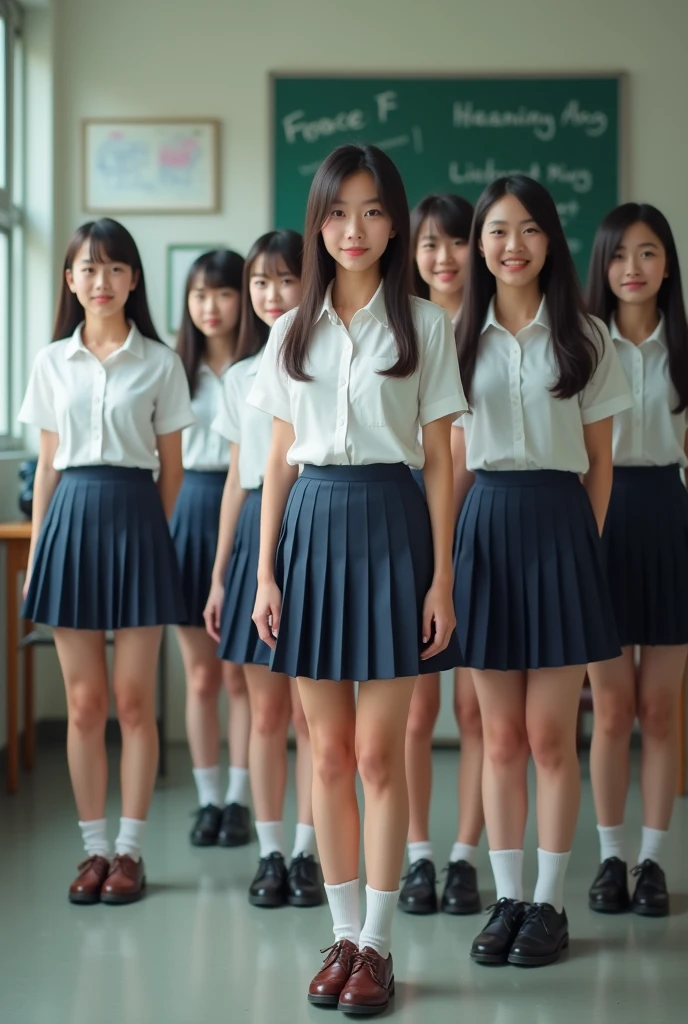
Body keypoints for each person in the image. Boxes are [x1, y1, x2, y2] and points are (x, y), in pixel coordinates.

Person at [248, 144, 465, 1015]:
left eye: (374, 212)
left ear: (396, 221)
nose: (355, 230)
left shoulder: (425, 324)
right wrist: (264, 570)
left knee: (380, 754)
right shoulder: (288, 327)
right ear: (318, 221)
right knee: (327, 754)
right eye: (339, 212)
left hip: (390, 524)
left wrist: (442, 578)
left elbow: (444, 461)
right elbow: (275, 459)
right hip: (309, 533)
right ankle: (341, 935)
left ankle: (378, 944)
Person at [454, 175, 632, 967]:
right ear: (478, 244)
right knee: (498, 739)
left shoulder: (589, 337)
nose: (512, 245)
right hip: (484, 526)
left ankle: (552, 905)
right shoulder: (452, 337)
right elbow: (448, 463)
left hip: (562, 527)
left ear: (551, 240)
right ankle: (509, 900)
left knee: (550, 734)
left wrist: (577, 548)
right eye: (496, 230)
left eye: (528, 230)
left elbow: (601, 464)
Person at [20, 218, 193, 905]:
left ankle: (130, 851)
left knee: (133, 700)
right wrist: (38, 555)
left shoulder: (160, 361)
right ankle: (93, 849)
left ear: (134, 279)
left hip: (135, 521)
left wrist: (155, 539)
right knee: (85, 704)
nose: (102, 281)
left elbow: (172, 473)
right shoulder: (50, 361)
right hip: (68, 523)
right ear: (70, 280)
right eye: (89, 269)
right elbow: (47, 467)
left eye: (115, 268)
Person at [205, 230, 324, 908]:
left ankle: (310, 849)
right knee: (263, 711)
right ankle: (272, 851)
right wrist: (224, 575)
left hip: (316, 530)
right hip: (256, 534)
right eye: (260, 282)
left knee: (312, 719)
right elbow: (234, 483)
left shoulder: (322, 358)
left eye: (284, 280)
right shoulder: (240, 376)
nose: (272, 294)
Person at [585, 204, 688, 918]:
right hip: (602, 522)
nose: (633, 269)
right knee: (613, 708)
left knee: (660, 708)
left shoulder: (684, 346)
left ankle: (652, 860)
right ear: (602, 265)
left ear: (667, 266)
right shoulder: (585, 344)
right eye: (620, 255)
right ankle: (609, 857)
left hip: (671, 517)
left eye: (648, 254)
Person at [400, 193, 484, 917]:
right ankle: (418, 854)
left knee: (479, 711)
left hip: (489, 530)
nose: (444, 258)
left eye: (456, 243)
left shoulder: (494, 325)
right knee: (415, 710)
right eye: (430, 244)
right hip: (416, 530)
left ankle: (464, 855)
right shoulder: (405, 328)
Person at [171, 250, 252, 849]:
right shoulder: (176, 370)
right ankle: (206, 800)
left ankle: (240, 800)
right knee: (200, 677)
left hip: (245, 513)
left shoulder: (263, 366)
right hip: (186, 514)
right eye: (199, 295)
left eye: (222, 293)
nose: (210, 307)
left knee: (240, 679)